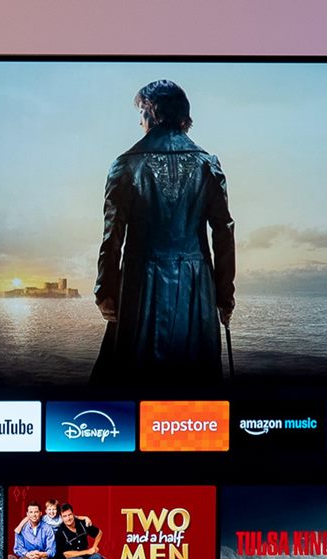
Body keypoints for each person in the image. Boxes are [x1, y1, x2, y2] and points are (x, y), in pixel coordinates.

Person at [90, 79, 236, 384]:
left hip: (141, 284)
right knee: (195, 384)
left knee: (131, 382)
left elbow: (112, 234)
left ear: (152, 111)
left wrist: (105, 290)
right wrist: (224, 295)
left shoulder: (124, 165)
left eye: (141, 113)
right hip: (196, 288)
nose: (139, 121)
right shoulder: (208, 165)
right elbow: (223, 232)